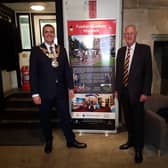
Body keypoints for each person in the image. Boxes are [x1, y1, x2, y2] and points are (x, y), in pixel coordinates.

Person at [29, 24, 87, 154]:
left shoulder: (61, 49)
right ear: (43, 34)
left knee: (65, 117)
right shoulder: (36, 51)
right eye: (46, 32)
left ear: (54, 34)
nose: (49, 34)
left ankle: (70, 140)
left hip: (60, 91)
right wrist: (34, 94)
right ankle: (48, 141)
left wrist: (70, 87)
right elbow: (33, 73)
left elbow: (67, 69)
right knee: (45, 118)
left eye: (51, 32)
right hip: (44, 93)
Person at [115, 25, 152, 163]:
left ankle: (138, 149)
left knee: (138, 122)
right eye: (127, 33)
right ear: (125, 35)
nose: (129, 36)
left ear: (136, 34)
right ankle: (130, 141)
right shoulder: (121, 51)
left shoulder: (144, 50)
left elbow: (148, 73)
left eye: (131, 33)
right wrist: (117, 89)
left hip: (138, 94)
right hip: (124, 93)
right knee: (128, 120)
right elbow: (119, 72)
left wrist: (145, 92)